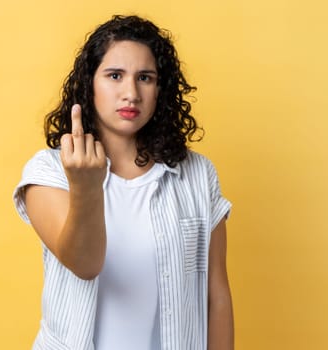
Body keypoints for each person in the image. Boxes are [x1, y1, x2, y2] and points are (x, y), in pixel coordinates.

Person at [13, 15, 234, 350]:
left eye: (145, 78)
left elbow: (216, 295)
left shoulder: (198, 175)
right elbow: (84, 265)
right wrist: (85, 187)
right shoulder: (49, 172)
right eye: (115, 75)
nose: (131, 93)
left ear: (160, 88)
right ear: (90, 84)